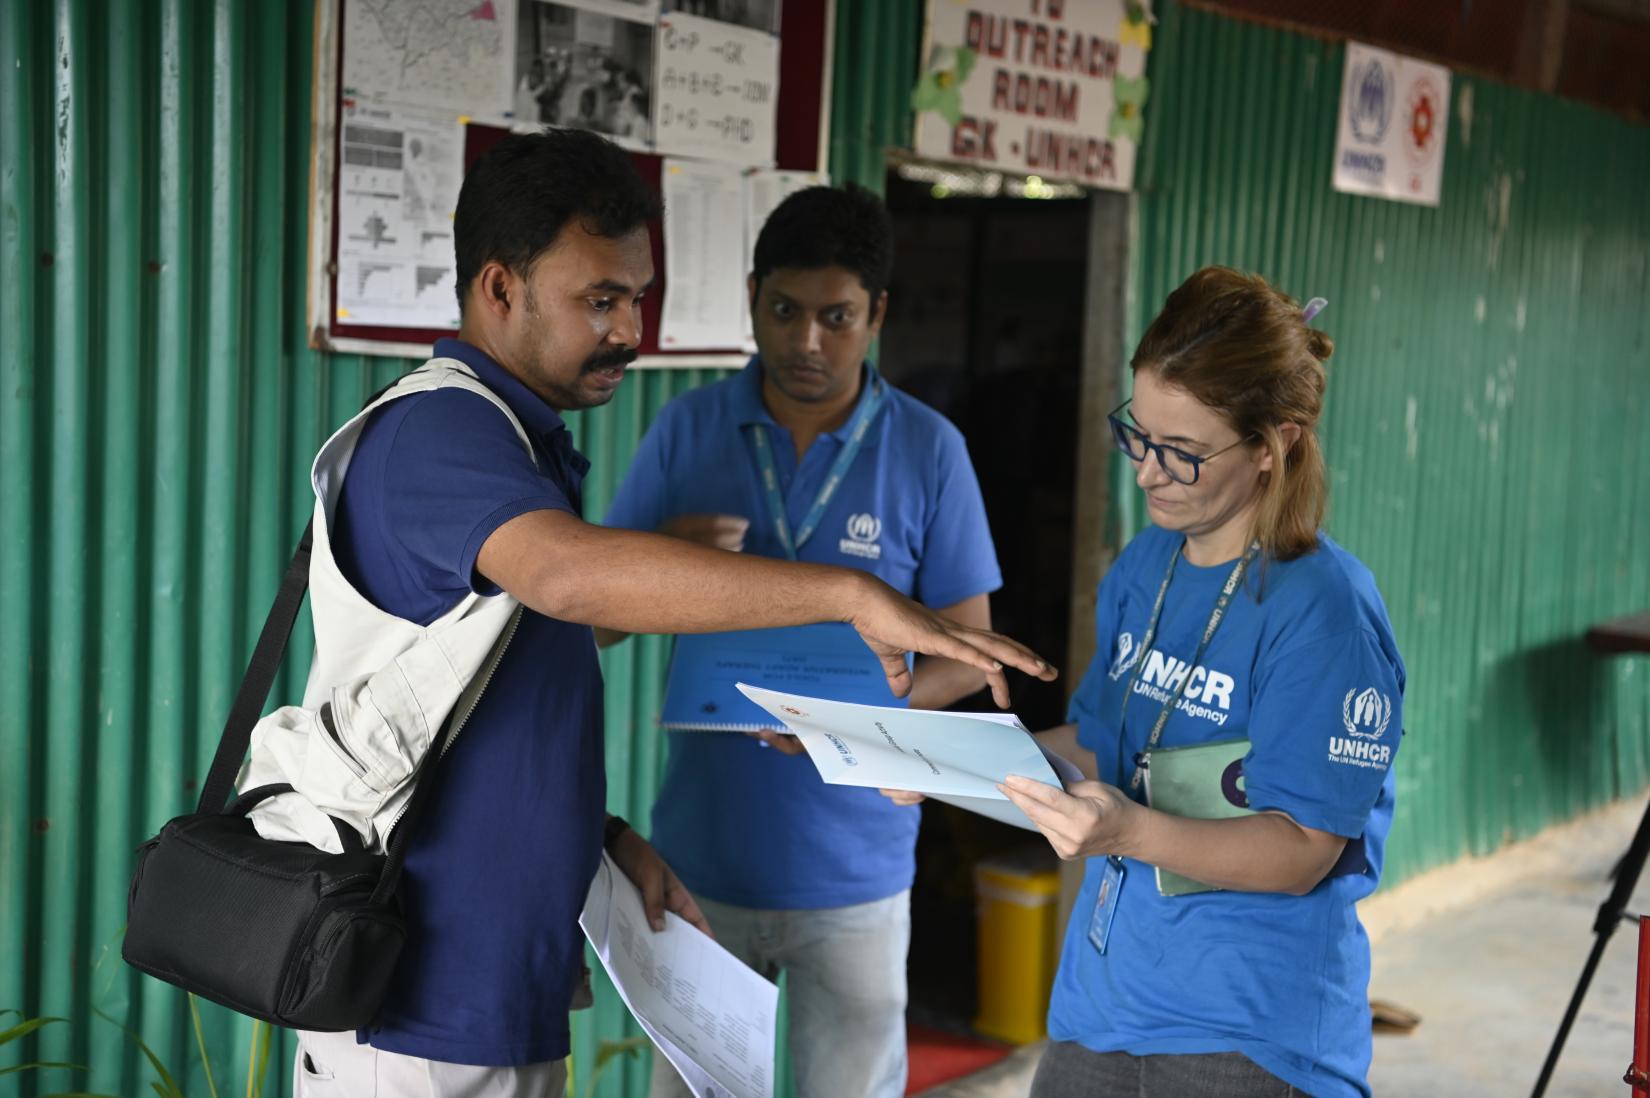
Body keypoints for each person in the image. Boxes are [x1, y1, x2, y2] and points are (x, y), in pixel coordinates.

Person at [289, 130, 1054, 1097]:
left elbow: (504, 695)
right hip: (423, 982)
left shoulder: (526, 444)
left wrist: (599, 836)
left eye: (637, 299)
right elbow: (572, 584)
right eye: (597, 300)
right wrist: (850, 592)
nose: (626, 329)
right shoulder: (441, 431)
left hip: (498, 965)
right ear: (499, 289)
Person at [600, 184, 1005, 1098]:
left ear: (878, 316)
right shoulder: (687, 429)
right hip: (701, 864)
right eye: (785, 311)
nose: (808, 341)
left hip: (856, 872)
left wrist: (850, 719)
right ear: (752, 298)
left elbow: (968, 651)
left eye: (838, 316)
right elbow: (596, 622)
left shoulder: (930, 450)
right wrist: (663, 564)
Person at [978, 266, 1399, 1097]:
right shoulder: (1146, 566)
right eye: (1138, 434)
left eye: (1183, 451)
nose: (1147, 472)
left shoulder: (1323, 610)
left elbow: (1301, 851)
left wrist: (1128, 831)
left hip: (1246, 1029)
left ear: (1273, 445)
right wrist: (947, 760)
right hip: (1100, 1005)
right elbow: (1102, 746)